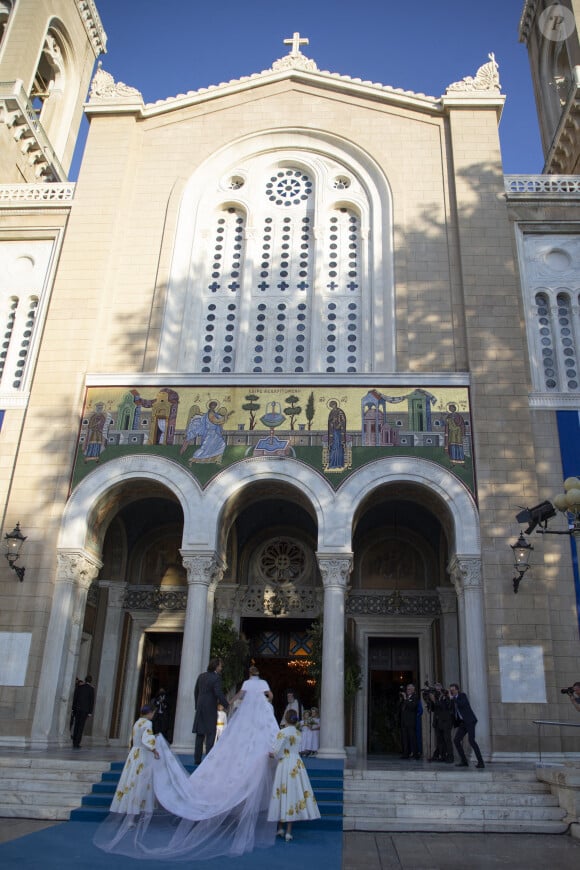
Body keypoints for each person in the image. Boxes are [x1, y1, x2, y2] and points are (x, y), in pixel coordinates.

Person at [94, 663, 281, 861]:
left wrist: (230, 702)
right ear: (259, 675)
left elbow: (238, 695)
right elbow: (270, 695)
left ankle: (200, 758)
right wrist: (264, 701)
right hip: (256, 715)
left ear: (249, 674)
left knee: (222, 738)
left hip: (210, 712)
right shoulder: (262, 683)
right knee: (240, 737)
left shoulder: (219, 680)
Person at [267, 709, 320, 841]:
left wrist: (269, 754)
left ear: (285, 718)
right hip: (296, 764)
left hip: (285, 764)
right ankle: (288, 831)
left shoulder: (282, 733)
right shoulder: (298, 732)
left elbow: (276, 752)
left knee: (281, 793)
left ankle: (280, 828)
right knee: (292, 794)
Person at [109, 705, 160, 815]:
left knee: (131, 778)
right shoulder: (147, 723)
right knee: (140, 780)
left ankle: (128, 808)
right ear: (150, 713)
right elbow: (147, 740)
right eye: (153, 713)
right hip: (142, 754)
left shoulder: (137, 722)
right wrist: (154, 749)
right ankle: (136, 808)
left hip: (134, 753)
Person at [192, 657, 229, 765]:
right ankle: (208, 761)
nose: (221, 668)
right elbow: (218, 693)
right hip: (210, 708)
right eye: (221, 666)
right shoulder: (216, 678)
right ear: (216, 666)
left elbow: (196, 691)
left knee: (199, 734)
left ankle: (197, 760)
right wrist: (226, 704)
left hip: (200, 707)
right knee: (210, 733)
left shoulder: (201, 676)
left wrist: (197, 705)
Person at [449, 682, 485, 769]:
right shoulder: (453, 699)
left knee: (471, 740)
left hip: (470, 721)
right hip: (463, 723)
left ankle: (481, 762)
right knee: (456, 740)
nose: (452, 692)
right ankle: (464, 761)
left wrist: (453, 698)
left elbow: (462, 704)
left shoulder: (462, 695)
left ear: (457, 690)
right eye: (451, 690)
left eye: (453, 690)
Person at [429, 683, 454, 763]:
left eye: (439, 687)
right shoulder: (436, 697)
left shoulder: (446, 696)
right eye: (436, 688)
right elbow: (433, 709)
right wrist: (431, 701)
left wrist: (434, 700)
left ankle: (450, 757)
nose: (437, 689)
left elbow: (444, 707)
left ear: (442, 689)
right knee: (440, 740)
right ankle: (442, 756)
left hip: (446, 721)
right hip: (437, 722)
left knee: (447, 739)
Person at [71, 675, 94, 748]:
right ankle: (77, 743)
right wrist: (90, 712)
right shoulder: (91, 689)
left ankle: (74, 741)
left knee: (76, 725)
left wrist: (73, 708)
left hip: (77, 709)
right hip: (85, 711)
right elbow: (91, 701)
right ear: (91, 681)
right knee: (81, 726)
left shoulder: (80, 687)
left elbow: (75, 697)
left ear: (85, 680)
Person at [399, 683, 420, 759]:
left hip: (411, 721)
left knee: (412, 738)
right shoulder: (406, 697)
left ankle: (415, 754)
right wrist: (402, 699)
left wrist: (405, 699)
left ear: (413, 690)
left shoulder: (415, 697)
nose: (408, 690)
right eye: (407, 689)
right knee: (405, 738)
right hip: (404, 721)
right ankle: (405, 754)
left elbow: (412, 707)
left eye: (409, 689)